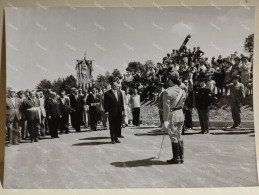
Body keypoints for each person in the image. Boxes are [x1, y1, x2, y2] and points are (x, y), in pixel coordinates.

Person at [163, 71, 186, 164]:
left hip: (172, 114)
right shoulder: (182, 91)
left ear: (172, 81)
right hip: (180, 113)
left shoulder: (167, 91)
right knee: (179, 135)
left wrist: (165, 120)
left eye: (169, 79)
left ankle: (176, 158)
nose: (168, 81)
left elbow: (166, 107)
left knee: (173, 135)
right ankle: (181, 157)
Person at [104, 76, 125, 144]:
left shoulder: (120, 93)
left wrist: (123, 110)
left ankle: (116, 138)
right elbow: (106, 103)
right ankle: (112, 139)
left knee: (117, 125)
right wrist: (106, 111)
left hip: (119, 112)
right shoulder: (107, 93)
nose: (116, 86)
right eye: (115, 85)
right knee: (112, 125)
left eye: (117, 85)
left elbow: (122, 102)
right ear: (111, 86)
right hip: (112, 112)